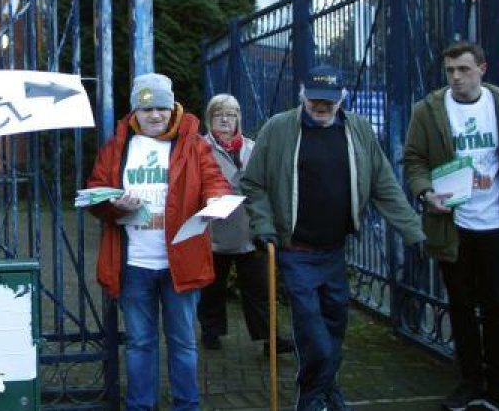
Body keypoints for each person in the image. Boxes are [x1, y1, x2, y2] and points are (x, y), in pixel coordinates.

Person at [241, 65, 424, 411]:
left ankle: (325, 389)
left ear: (342, 98)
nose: (321, 107)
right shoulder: (279, 128)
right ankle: (312, 397)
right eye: (314, 100)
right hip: (296, 250)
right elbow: (252, 182)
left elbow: (384, 184)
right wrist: (263, 224)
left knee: (335, 325)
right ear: (302, 95)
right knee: (312, 332)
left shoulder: (358, 129)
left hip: (335, 250)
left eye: (329, 100)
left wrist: (413, 231)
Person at [404, 41, 499, 411]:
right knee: (460, 306)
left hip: (498, 226)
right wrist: (426, 193)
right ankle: (470, 382)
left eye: (464, 69)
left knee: (497, 307)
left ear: (482, 69)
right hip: (452, 225)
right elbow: (414, 159)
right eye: (450, 71)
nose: (456, 77)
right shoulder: (428, 110)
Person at [87, 72, 232, 411]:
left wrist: (216, 199)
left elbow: (215, 181)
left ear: (173, 108)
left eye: (162, 108)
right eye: (146, 109)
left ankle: (187, 405)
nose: (155, 116)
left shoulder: (194, 144)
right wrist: (113, 204)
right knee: (140, 343)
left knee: (183, 342)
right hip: (133, 264)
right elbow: (95, 192)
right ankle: (141, 406)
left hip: (180, 263)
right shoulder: (116, 147)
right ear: (134, 112)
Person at [195, 93, 293, 356]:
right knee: (212, 287)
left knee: (260, 287)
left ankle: (269, 339)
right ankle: (211, 330)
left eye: (230, 114)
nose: (225, 119)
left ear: (238, 118)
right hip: (214, 229)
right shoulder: (199, 148)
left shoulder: (253, 147)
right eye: (218, 114)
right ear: (209, 119)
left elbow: (267, 182)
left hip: (250, 228)